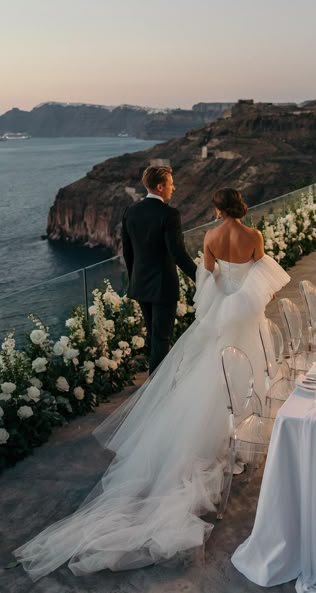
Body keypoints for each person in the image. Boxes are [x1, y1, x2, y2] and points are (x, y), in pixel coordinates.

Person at [14, 188, 290, 581]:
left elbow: (207, 281)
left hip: (219, 322)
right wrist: (247, 299)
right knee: (247, 376)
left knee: (209, 382)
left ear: (216, 209)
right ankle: (239, 443)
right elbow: (263, 275)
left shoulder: (211, 238)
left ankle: (211, 443)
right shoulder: (255, 237)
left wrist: (218, 302)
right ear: (240, 209)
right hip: (245, 319)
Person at [122, 165, 197, 373]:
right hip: (163, 285)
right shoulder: (169, 214)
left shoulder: (131, 211)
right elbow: (178, 254)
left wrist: (134, 280)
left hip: (140, 284)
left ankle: (155, 382)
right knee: (161, 338)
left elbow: (127, 252)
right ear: (160, 186)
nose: (173, 188)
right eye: (171, 185)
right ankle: (157, 389)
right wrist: (200, 277)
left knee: (153, 336)